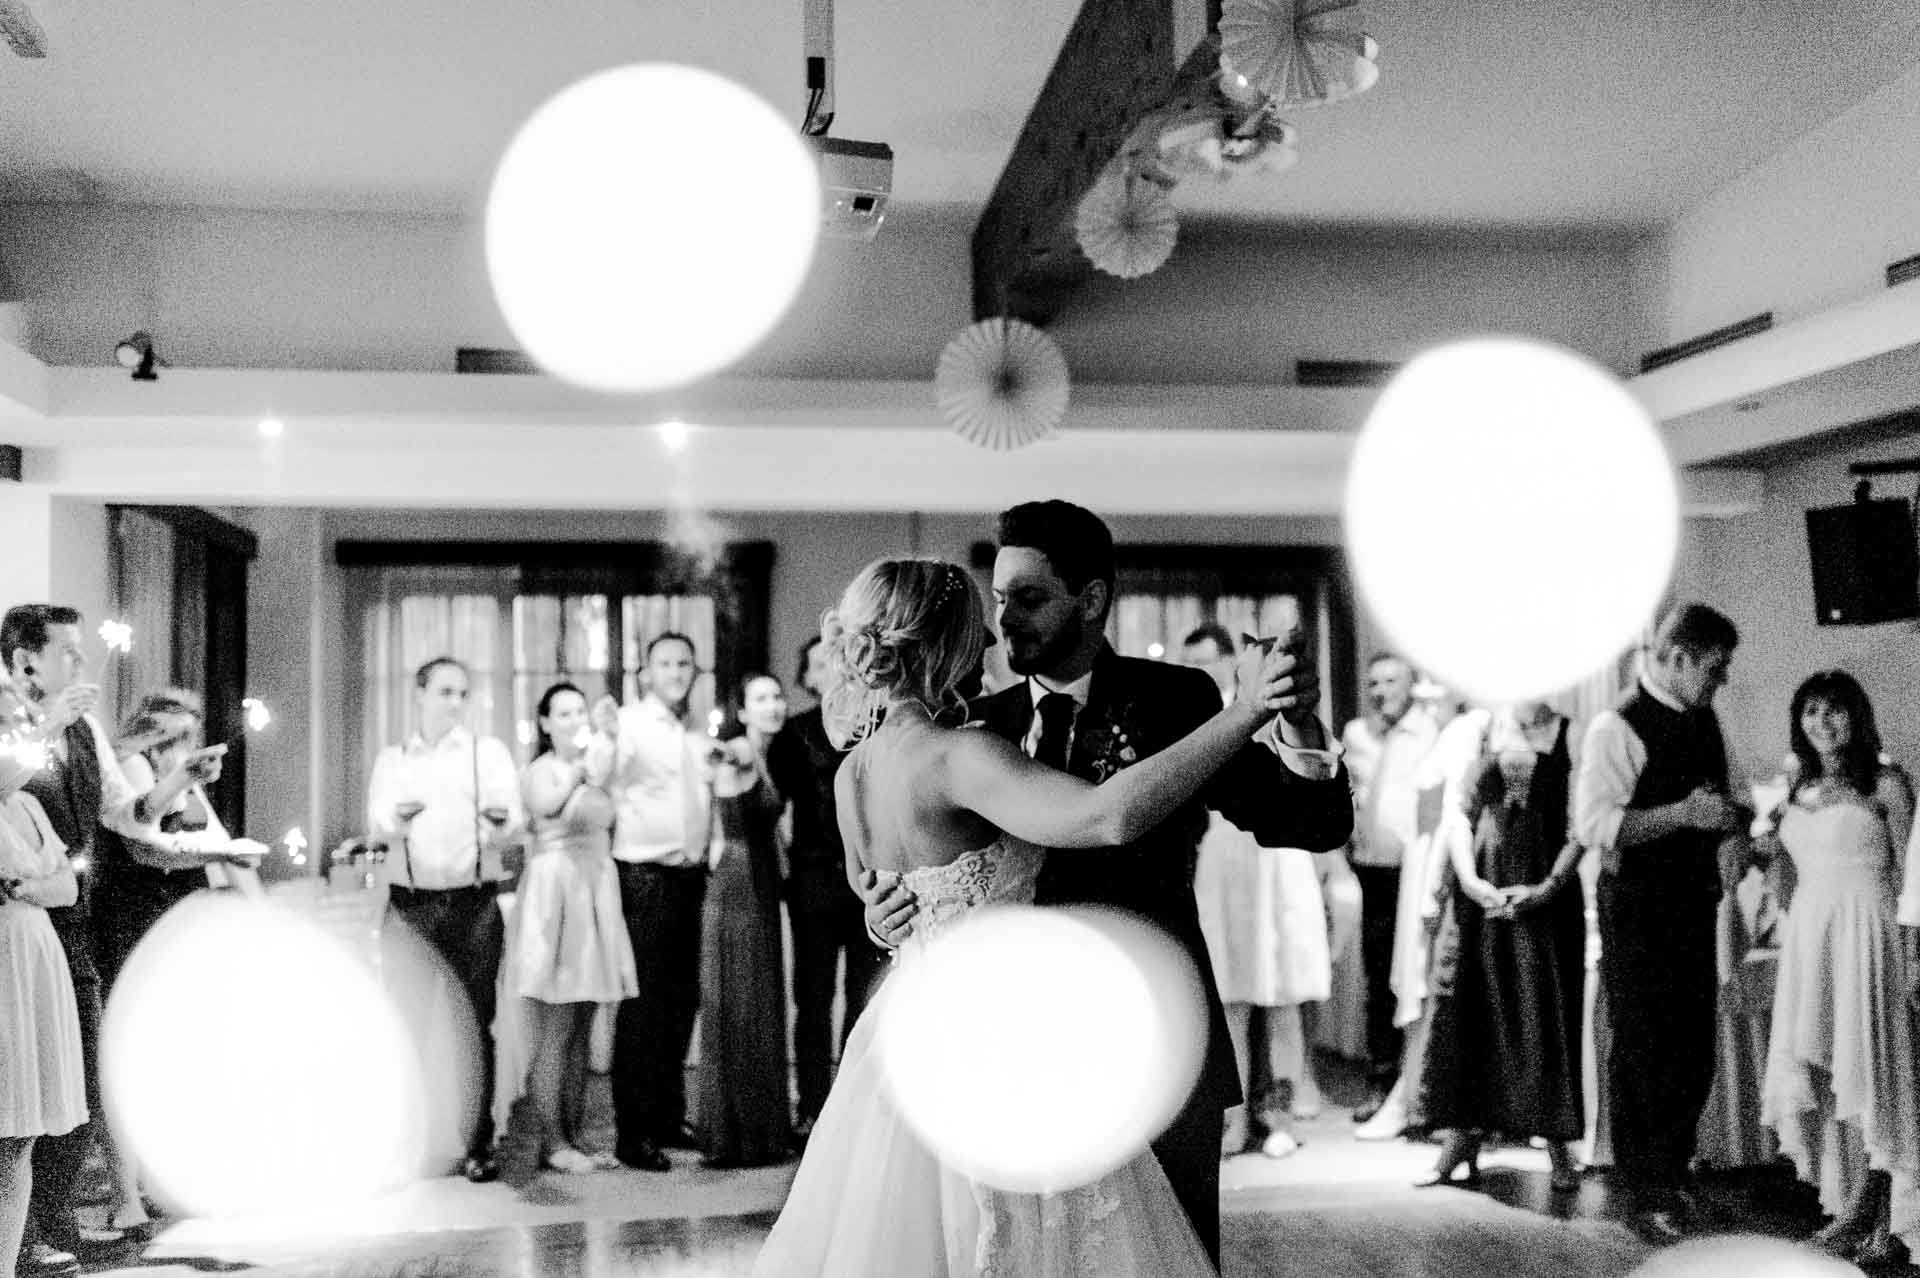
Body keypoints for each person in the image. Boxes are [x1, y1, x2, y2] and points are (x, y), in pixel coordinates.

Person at [755, 556, 1313, 1276]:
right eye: (976, 628)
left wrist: (882, 916)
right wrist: (1245, 713)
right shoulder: (960, 757)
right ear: (946, 644)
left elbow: (885, 892)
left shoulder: (852, 771)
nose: (991, 643)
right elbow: (1107, 815)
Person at [1, 604, 223, 1274]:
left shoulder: (84, 729)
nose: (81, 664)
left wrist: (182, 780)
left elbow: (124, 814)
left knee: (83, 1074)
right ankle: (37, 1237)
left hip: (71, 918)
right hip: (16, 918)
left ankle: (47, 1227)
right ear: (23, 660)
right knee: (23, 1089)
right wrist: (46, 725)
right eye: (67, 652)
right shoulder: (16, 721)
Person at [1573, 602, 1748, 1246]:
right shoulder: (1614, 727)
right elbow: (1593, 825)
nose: (1721, 679)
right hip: (1639, 911)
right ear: (1677, 657)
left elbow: (1721, 803)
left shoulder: (1707, 720)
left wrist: (1732, 828)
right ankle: (1642, 1193)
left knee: (1693, 1050)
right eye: (1715, 666)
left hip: (1694, 905)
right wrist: (1683, 815)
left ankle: (1672, 1176)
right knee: (1645, 1051)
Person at [1756, 671, 1917, 1266]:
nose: (1822, 723)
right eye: (1811, 711)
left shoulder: (1887, 783)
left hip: (1868, 932)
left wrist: (1913, 949)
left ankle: (1881, 1216)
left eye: (1835, 711)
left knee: (1873, 1075)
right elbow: (1785, 872)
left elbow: (1911, 876)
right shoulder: (1795, 785)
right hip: (1811, 935)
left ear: (1857, 716)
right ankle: (1848, 1202)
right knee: (1828, 1078)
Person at [366, 655, 524, 1184]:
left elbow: (513, 823)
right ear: (420, 694)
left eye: (463, 693)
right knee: (403, 1025)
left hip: (474, 904)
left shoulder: (488, 754)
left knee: (474, 1027)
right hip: (410, 904)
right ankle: (401, 1146)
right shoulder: (394, 759)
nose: (455, 703)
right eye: (445, 692)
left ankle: (478, 1144)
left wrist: (501, 822)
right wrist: (397, 819)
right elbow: (377, 823)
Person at [1417, 701, 1586, 1191]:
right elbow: (1457, 812)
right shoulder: (1481, 727)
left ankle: (1557, 1142)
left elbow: (1582, 823)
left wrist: (1548, 887)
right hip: (1482, 887)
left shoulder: (1571, 732)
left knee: (1545, 1010)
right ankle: (1462, 1136)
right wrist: (1468, 879)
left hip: (1546, 889)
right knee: (1466, 1006)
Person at [1181, 624, 1331, 1160]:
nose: (1202, 671)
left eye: (1209, 661)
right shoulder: (1198, 718)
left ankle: (1282, 1113)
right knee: (1231, 996)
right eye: (1190, 662)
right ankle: (1235, 1119)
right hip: (1224, 862)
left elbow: (1312, 777)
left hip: (1277, 859)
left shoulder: (1270, 711)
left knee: (1282, 992)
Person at [592, 633, 711, 1171]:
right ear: (646, 672)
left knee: (682, 1001)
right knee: (644, 1008)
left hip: (690, 878)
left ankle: (667, 1116)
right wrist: (606, 735)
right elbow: (599, 774)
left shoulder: (693, 729)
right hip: (645, 877)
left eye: (684, 662)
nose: (676, 670)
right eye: (665, 662)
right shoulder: (631, 724)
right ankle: (633, 1133)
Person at [508, 682, 637, 1174]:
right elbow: (550, 809)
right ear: (544, 723)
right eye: (562, 713)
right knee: (556, 1027)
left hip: (596, 886)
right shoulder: (541, 772)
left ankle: (578, 1133)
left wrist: (607, 747)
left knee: (585, 1025)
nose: (573, 719)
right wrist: (584, 768)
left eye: (579, 710)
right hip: (555, 894)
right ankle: (551, 1140)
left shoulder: (596, 768)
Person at [767, 636, 882, 1140]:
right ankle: (812, 1106)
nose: (831, 671)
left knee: (863, 994)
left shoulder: (873, 729)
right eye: (818, 665)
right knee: (811, 998)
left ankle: (855, 1105)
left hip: (868, 878)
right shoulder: (794, 734)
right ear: (808, 679)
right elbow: (772, 809)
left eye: (837, 661)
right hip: (812, 878)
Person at [0, 679, 86, 1278]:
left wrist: (30, 888)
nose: (21, 730)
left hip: (33, 957)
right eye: (8, 723)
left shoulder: (27, 804)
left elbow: (68, 885)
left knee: (21, 1138)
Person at [696, 674, 795, 1168]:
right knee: (742, 1000)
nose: (773, 705)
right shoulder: (739, 748)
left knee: (757, 1000)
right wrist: (728, 758)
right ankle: (737, 1134)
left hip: (757, 876)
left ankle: (759, 1131)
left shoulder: (768, 751)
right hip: (737, 882)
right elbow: (726, 766)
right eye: (761, 698)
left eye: (777, 696)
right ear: (743, 708)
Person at [1338, 652, 1439, 1123]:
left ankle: (1419, 1085)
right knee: (1378, 976)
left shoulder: (1431, 733)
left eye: (1391, 681)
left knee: (1417, 976)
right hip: (1371, 871)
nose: (1381, 690)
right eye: (1374, 681)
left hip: (1416, 876)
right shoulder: (1356, 735)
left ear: (1411, 684)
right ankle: (1381, 1082)